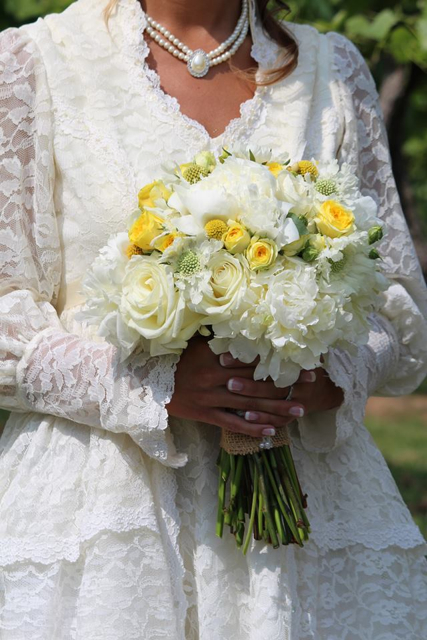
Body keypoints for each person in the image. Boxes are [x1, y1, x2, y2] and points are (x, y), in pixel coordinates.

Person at [0, 0, 426, 637]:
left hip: (309, 516)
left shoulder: (331, 71)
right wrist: (154, 387)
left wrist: (333, 370)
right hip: (108, 522)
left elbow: (395, 302)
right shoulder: (36, 62)